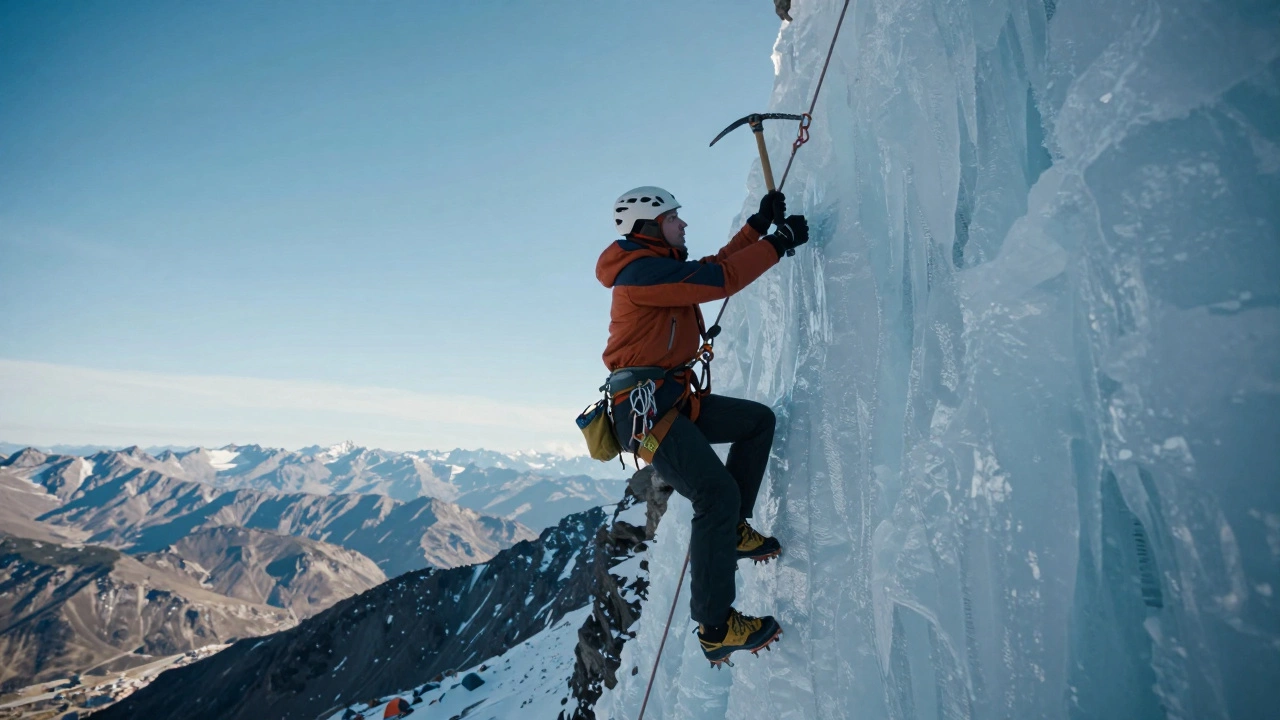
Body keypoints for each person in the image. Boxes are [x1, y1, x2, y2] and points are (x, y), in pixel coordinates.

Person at [595, 185, 809, 666]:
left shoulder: (658, 267)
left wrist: (757, 227)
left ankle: (731, 531)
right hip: (645, 411)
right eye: (674, 217)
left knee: (756, 422)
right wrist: (777, 243)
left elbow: (712, 268)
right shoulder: (640, 272)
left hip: (672, 399)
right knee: (713, 492)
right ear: (649, 225)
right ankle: (716, 628)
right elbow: (720, 279)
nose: (683, 224)